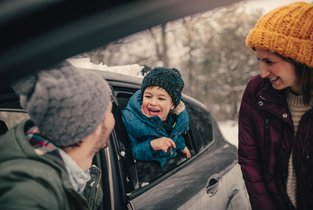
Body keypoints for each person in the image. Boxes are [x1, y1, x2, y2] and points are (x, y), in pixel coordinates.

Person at [0, 63, 115, 210]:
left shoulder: (58, 172)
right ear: (96, 126)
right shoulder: (32, 194)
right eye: (110, 111)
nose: (113, 118)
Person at [238, 2, 313, 210]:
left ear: (300, 58)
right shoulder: (257, 92)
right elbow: (250, 161)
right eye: (259, 60)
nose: (262, 72)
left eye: (269, 61)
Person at [122, 67, 191, 168]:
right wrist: (151, 145)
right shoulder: (130, 120)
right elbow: (128, 154)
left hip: (169, 166)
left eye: (161, 98)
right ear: (142, 97)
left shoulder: (174, 120)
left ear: (172, 105)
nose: (153, 102)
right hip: (146, 173)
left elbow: (176, 135)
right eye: (148, 96)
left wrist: (182, 146)